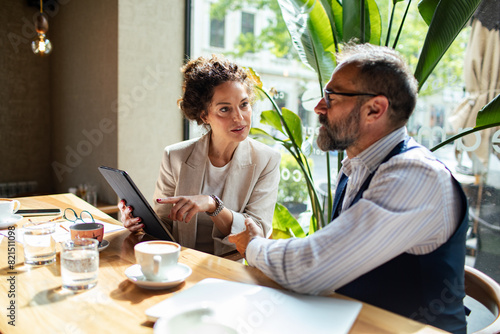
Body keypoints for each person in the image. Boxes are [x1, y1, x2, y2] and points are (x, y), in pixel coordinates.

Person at [229, 43, 468, 333]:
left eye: (331, 97)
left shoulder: (416, 177)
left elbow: (311, 269)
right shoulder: (356, 166)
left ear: (374, 109)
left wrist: (253, 245)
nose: (318, 107)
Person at [120, 54, 281, 256]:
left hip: (230, 268)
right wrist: (137, 223)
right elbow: (164, 225)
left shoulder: (267, 160)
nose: (239, 118)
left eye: (244, 104)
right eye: (224, 109)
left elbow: (258, 231)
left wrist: (213, 205)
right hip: (180, 260)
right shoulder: (175, 156)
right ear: (204, 115)